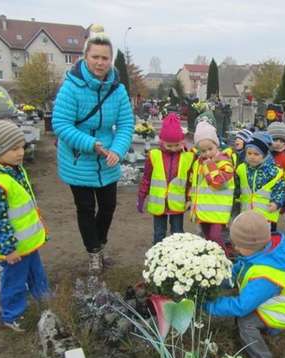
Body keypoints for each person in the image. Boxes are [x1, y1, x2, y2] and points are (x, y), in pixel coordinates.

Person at [52, 26, 134, 272]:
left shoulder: (117, 89)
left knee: (108, 206)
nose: (100, 62)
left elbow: (126, 124)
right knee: (86, 207)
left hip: (107, 158)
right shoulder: (72, 86)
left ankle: (100, 243)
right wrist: (90, 144)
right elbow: (60, 123)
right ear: (85, 57)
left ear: (111, 60)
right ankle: (94, 252)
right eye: (95, 57)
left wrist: (117, 150)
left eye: (105, 58)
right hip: (78, 158)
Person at [0, 120, 49, 332]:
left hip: (27, 244)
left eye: (22, 146)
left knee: (37, 275)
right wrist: (8, 249)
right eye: (14, 148)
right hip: (13, 248)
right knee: (14, 283)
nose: (20, 152)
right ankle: (13, 315)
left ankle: (46, 304)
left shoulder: (11, 169)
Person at [204, 211, 285, 358]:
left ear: (252, 246)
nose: (235, 248)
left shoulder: (265, 278)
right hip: (274, 304)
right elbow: (237, 272)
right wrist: (213, 279)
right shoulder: (260, 254)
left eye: (238, 245)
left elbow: (241, 307)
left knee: (246, 323)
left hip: (283, 313)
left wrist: (209, 306)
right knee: (245, 313)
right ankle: (266, 330)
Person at [137, 114, 194, 244]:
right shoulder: (154, 156)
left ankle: (176, 259)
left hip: (177, 202)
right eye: (169, 146)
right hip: (158, 202)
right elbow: (147, 178)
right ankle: (158, 257)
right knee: (159, 233)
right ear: (162, 142)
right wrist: (141, 196)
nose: (173, 149)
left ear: (182, 142)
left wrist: (190, 198)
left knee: (178, 233)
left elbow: (190, 182)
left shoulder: (188, 157)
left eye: (177, 145)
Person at [189, 121, 234, 254]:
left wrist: (210, 166)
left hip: (218, 210)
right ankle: (213, 261)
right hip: (203, 209)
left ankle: (224, 259)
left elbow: (218, 182)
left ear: (217, 145)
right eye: (203, 151)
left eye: (210, 149)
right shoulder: (198, 163)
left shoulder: (225, 162)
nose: (207, 153)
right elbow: (194, 184)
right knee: (208, 239)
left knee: (215, 237)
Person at [235, 132, 285, 230]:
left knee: (264, 241)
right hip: (246, 213)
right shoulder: (241, 169)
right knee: (247, 237)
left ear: (265, 155)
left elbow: (280, 189)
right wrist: (236, 197)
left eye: (256, 154)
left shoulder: (273, 171)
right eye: (249, 153)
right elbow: (236, 185)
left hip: (266, 215)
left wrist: (276, 202)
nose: (252, 157)